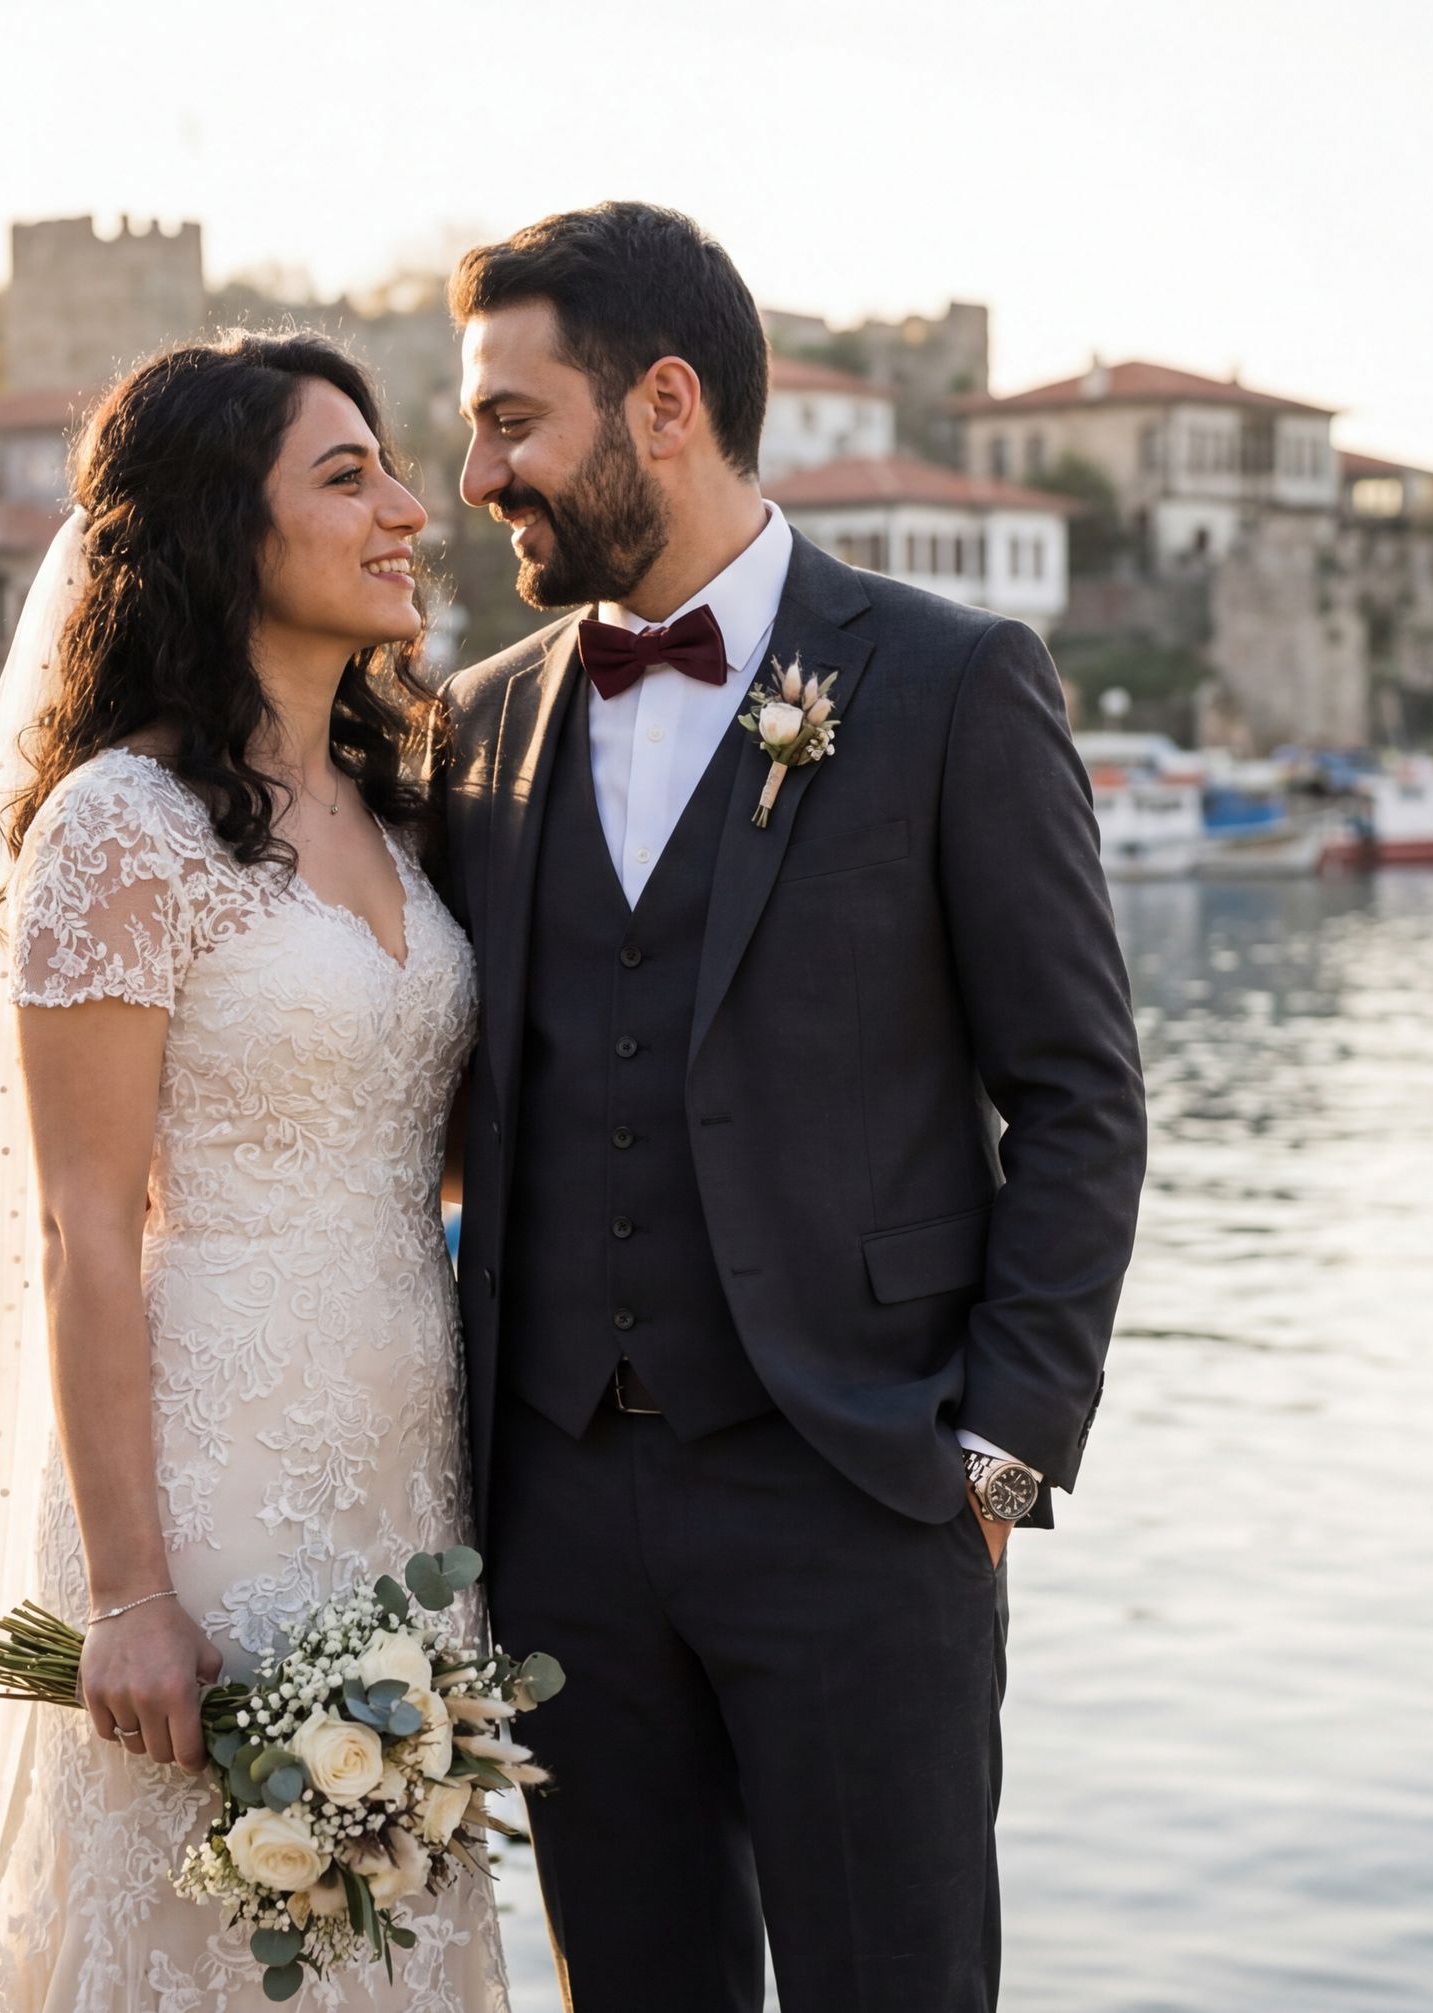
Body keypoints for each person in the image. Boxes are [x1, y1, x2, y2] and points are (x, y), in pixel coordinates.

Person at [0, 335, 505, 2010]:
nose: (409, 510)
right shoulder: (121, 826)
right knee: (196, 1938)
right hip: (206, 1480)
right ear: (223, 524)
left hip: (404, 1472)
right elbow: (81, 1228)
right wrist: (132, 1590)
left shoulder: (400, 811)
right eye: (348, 475)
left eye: (391, 468)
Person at [437, 202, 1146, 2013]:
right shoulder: (477, 726)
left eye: (513, 422)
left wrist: (998, 1456)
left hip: (864, 1499)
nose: (479, 475)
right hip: (564, 1523)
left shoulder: (953, 683)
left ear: (664, 404)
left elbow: (1079, 1093)